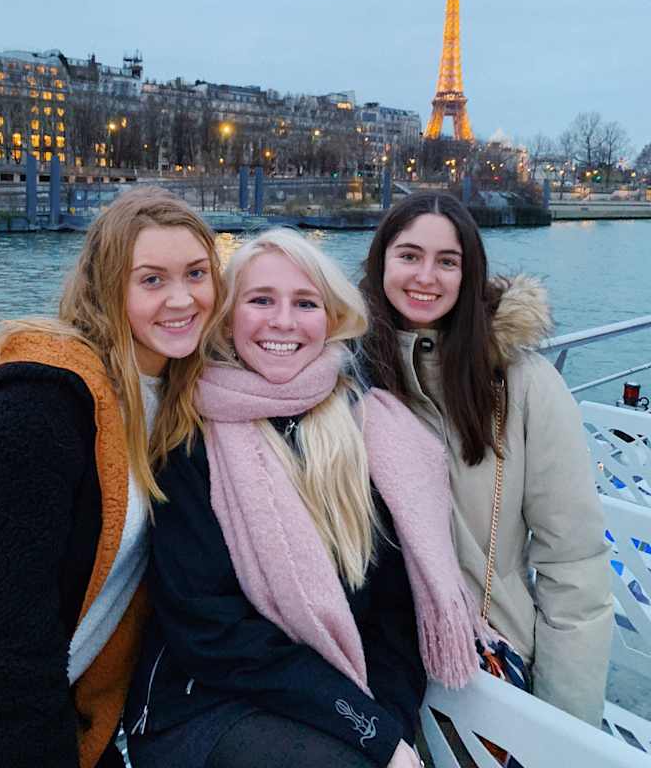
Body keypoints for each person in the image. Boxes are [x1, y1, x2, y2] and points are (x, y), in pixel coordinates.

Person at [0, 186, 223, 768]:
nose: (181, 298)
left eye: (196, 273)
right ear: (107, 288)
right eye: (151, 280)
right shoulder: (39, 406)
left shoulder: (176, 401)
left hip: (44, 714)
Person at [127, 228, 480, 768]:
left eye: (305, 303)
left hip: (334, 691)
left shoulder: (369, 429)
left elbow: (392, 611)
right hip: (206, 704)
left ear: (331, 319)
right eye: (261, 300)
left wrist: (392, 724)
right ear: (227, 318)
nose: (283, 322)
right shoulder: (191, 436)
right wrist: (372, 733)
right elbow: (211, 633)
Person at [359, 191, 613, 726]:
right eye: (409, 256)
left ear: (468, 273)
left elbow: (573, 565)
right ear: (381, 261)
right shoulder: (346, 375)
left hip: (487, 666)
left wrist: (563, 730)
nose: (426, 276)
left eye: (447, 262)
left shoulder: (526, 385)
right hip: (372, 669)